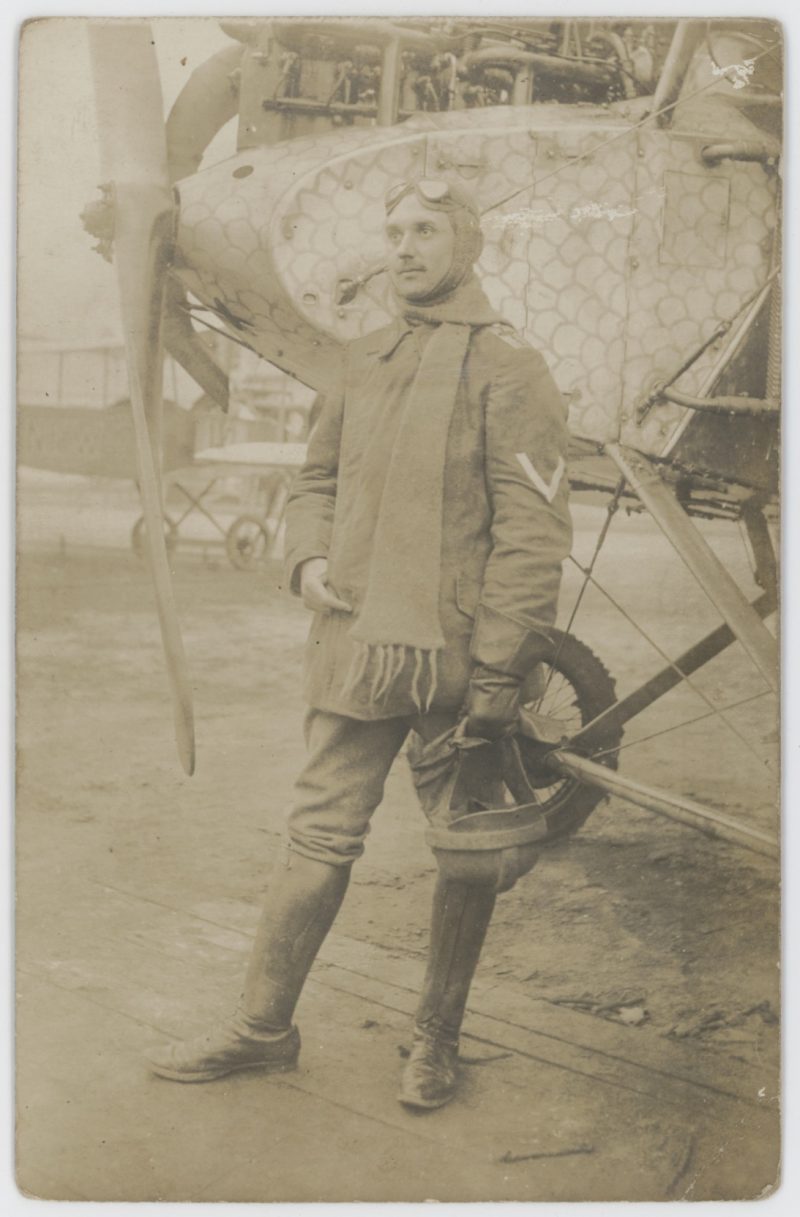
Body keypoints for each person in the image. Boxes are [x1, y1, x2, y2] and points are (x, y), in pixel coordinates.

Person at [146, 177, 573, 1110]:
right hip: (355, 649)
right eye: (394, 229)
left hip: (461, 660)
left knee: (464, 849)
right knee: (317, 835)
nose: (405, 245)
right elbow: (314, 482)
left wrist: (502, 668)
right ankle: (263, 1029)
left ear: (467, 245)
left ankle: (435, 1042)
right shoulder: (361, 358)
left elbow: (535, 534)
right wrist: (302, 560)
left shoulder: (511, 368)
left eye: (426, 229)